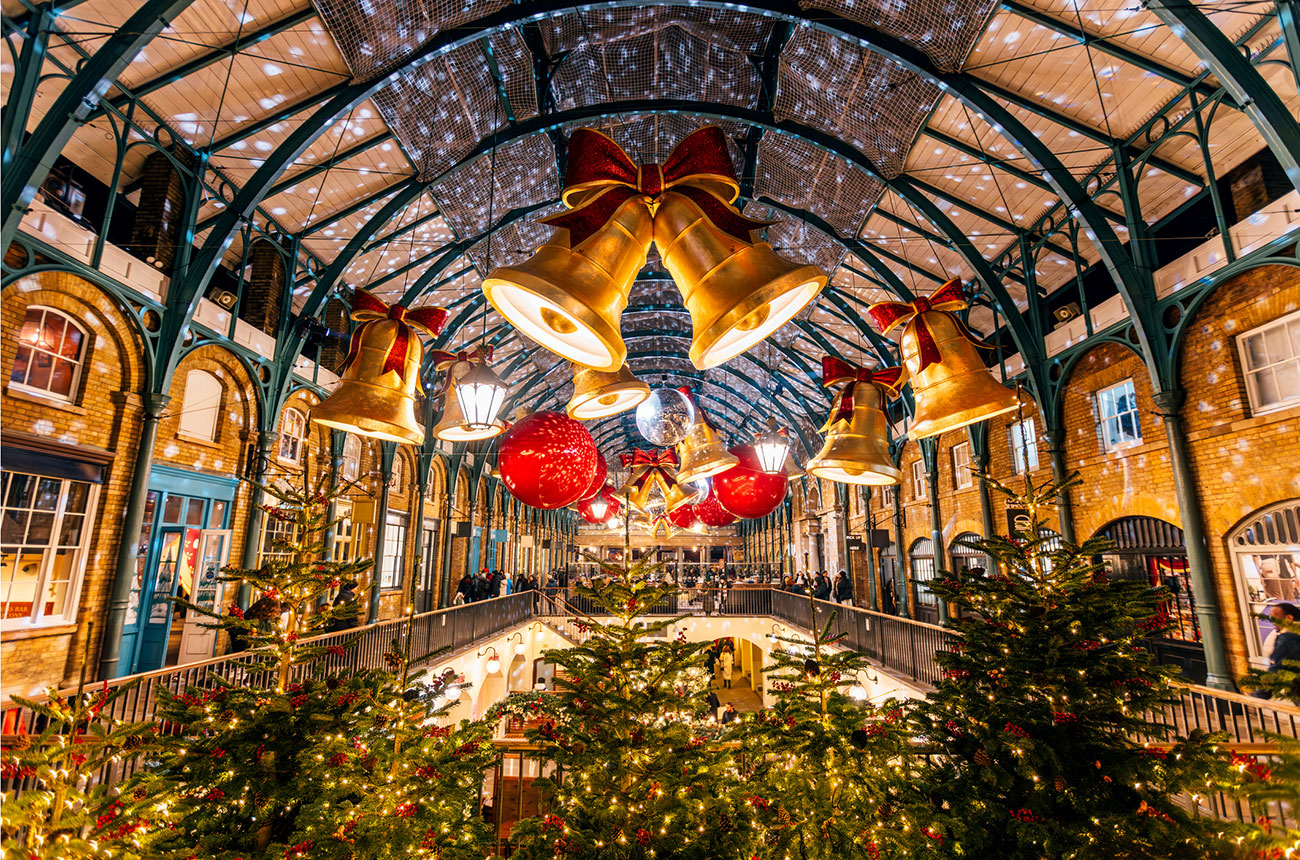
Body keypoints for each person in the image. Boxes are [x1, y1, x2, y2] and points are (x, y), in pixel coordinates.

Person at [1254, 602, 1300, 698]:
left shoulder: (1288, 638)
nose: (1272, 621)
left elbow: (1277, 669)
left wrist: (1261, 695)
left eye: (1274, 617)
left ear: (1289, 618)